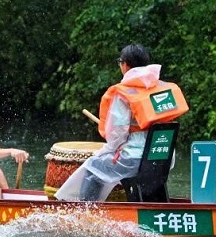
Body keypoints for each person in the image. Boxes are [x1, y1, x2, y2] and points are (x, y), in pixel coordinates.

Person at [55, 43, 187, 201]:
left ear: (124, 64)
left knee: (94, 167)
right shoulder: (160, 89)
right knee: (107, 164)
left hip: (134, 158)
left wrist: (106, 150)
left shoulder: (124, 93)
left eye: (120, 62)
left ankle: (86, 213)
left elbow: (117, 135)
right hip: (163, 158)